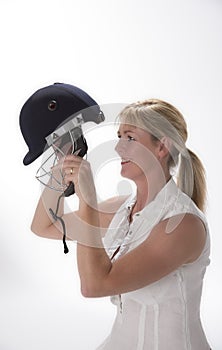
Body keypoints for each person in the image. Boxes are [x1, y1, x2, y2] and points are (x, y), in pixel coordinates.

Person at [30, 98, 211, 349]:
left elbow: (94, 285)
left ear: (162, 147)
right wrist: (61, 166)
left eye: (130, 138)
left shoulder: (182, 225)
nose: (118, 149)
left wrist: (88, 201)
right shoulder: (122, 208)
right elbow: (44, 226)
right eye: (118, 137)